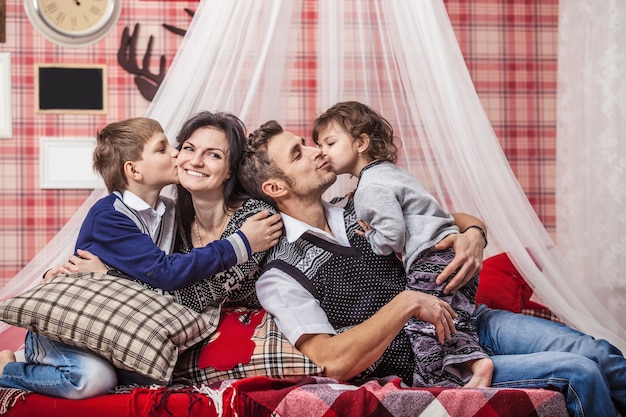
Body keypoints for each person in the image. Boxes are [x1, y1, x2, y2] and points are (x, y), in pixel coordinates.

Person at [238, 119, 626, 417]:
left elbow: (448, 216)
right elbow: (331, 361)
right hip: (431, 358)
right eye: (297, 153)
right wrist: (405, 304)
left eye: (306, 143)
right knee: (580, 372)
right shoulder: (281, 273)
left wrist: (474, 234)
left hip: (473, 319)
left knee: (598, 352)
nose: (314, 150)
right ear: (276, 188)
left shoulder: (359, 201)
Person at [0, 114, 282, 399]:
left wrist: (111, 277)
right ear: (134, 171)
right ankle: (8, 370)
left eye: (213, 154)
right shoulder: (111, 215)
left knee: (146, 375)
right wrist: (242, 243)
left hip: (112, 329)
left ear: (230, 168)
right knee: (92, 379)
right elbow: (166, 273)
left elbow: (166, 278)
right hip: (70, 327)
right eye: (167, 149)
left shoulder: (171, 213)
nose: (177, 154)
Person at [311, 101, 492, 388]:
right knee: (455, 319)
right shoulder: (393, 173)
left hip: (428, 260)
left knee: (427, 328)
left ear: (360, 143)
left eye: (330, 143)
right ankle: (472, 363)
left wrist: (371, 236)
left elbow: (391, 237)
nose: (322, 152)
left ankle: (461, 375)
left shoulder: (369, 187)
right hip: (446, 254)